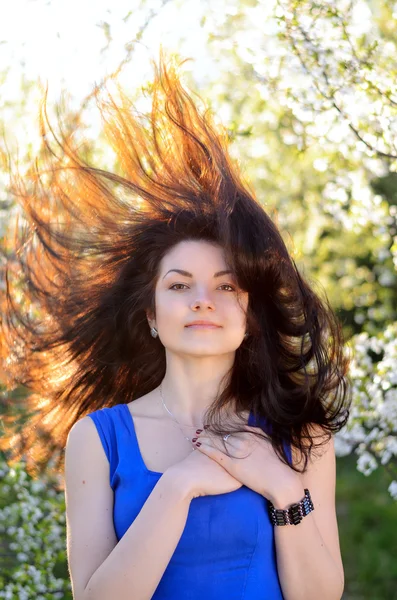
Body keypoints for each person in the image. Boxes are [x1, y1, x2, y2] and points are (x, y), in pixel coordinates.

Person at [0, 50, 351, 600]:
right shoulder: (98, 439)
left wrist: (280, 484)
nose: (203, 301)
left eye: (226, 286)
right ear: (152, 317)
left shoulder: (300, 436)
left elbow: (320, 595)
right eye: (180, 285)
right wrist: (181, 484)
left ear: (249, 318)